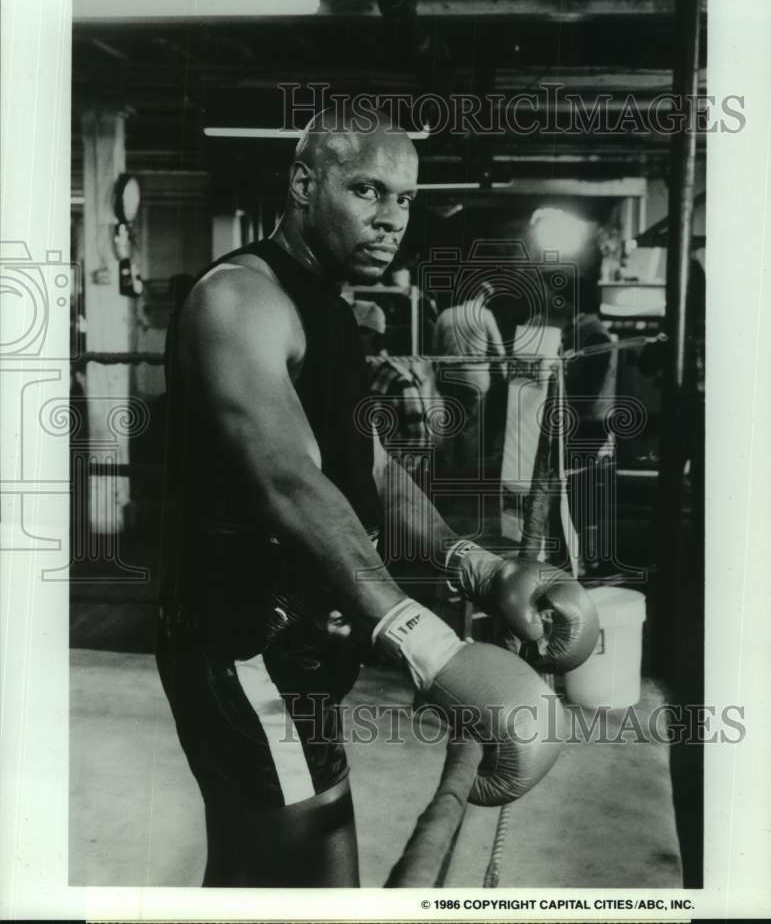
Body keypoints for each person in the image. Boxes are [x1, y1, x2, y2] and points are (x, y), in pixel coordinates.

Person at [157, 107, 598, 888]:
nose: (390, 218)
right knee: (316, 880)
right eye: (367, 190)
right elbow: (287, 482)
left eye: (404, 198)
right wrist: (430, 646)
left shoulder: (328, 306)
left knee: (253, 873)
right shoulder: (240, 299)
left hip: (300, 645)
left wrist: (477, 568)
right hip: (244, 645)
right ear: (302, 183)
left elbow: (372, 470)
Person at [432, 281, 507, 476]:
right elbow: (498, 351)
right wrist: (505, 375)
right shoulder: (484, 315)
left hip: (447, 376)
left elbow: (435, 350)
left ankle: (447, 470)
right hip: (475, 377)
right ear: (483, 295)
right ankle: (465, 473)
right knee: (471, 426)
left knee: (451, 422)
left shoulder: (445, 315)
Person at [351, 299, 430, 450]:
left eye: (353, 333)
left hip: (389, 469)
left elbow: (419, 441)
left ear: (371, 335)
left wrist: (395, 471)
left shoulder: (400, 381)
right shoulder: (353, 376)